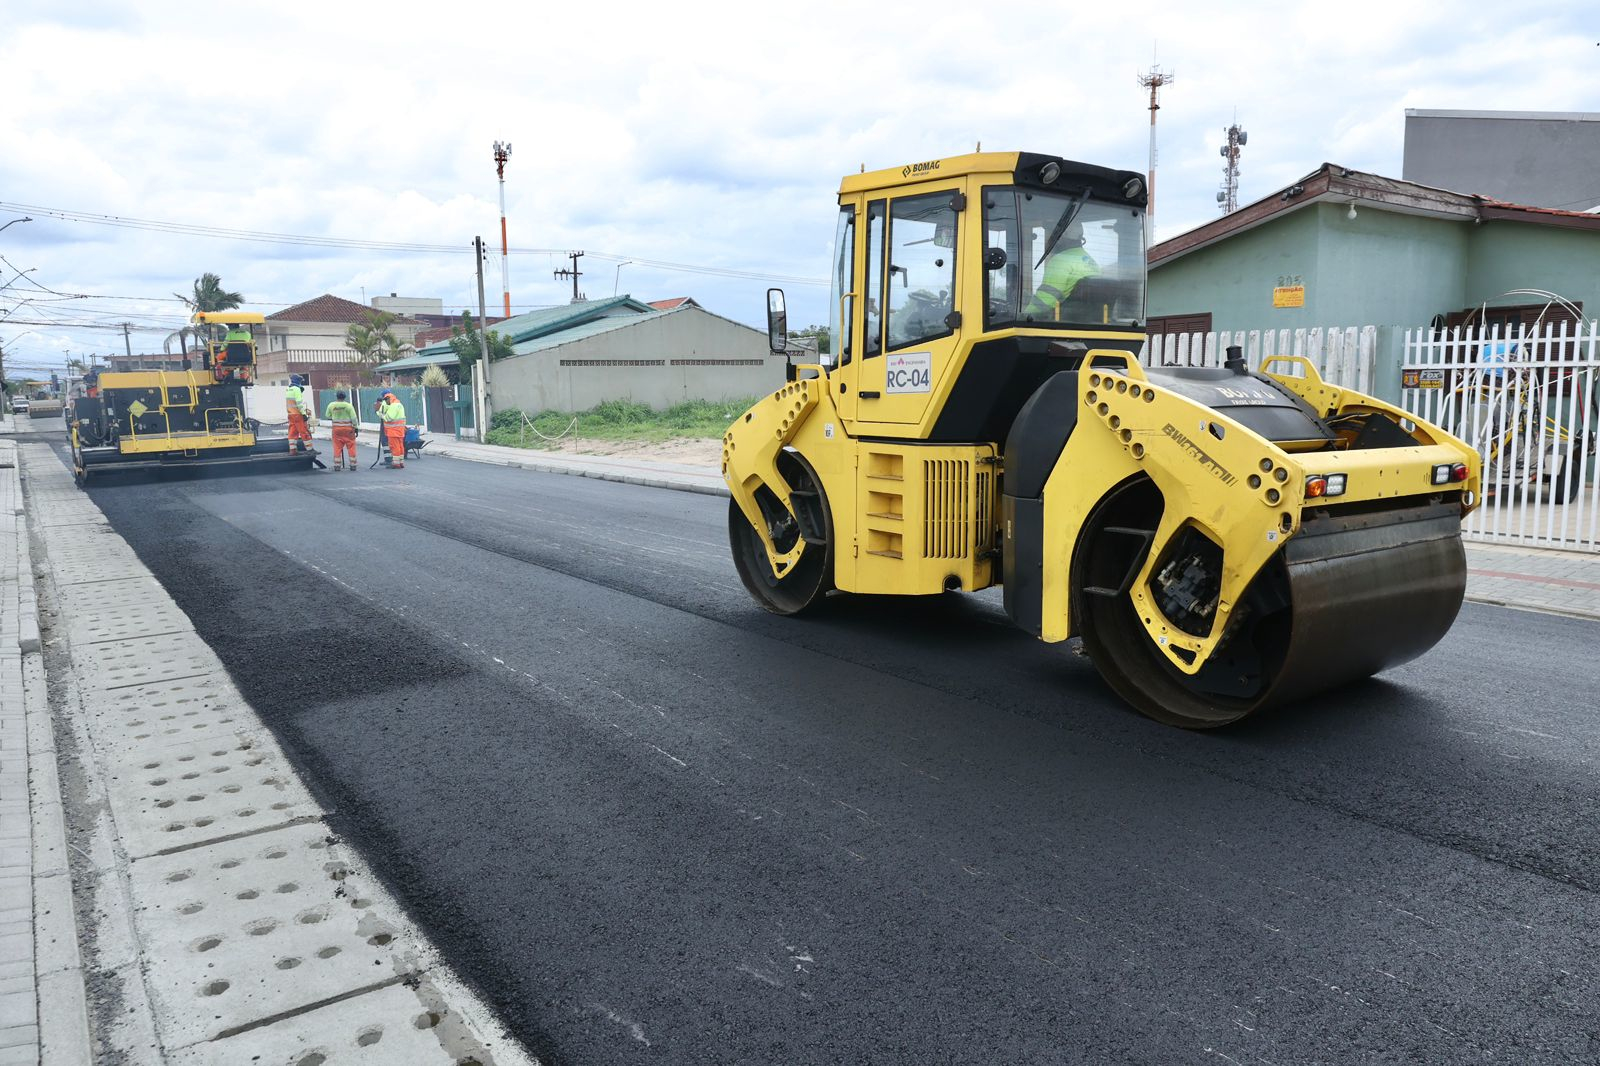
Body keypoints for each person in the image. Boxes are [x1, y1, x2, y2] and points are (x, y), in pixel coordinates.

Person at [1023, 222, 1099, 321]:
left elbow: (1046, 300)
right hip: (1084, 321)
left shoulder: (1061, 260)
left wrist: (1023, 315)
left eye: (1052, 235)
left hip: (1063, 321)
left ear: (1061, 237)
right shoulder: (1092, 262)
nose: (1049, 239)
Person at [323, 389, 359, 472]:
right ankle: (353, 465)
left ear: (337, 396)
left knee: (337, 447)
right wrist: (356, 427)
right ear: (345, 397)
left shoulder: (331, 405)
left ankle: (337, 465)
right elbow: (354, 418)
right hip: (348, 430)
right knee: (351, 446)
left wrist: (335, 416)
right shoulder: (348, 406)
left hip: (337, 430)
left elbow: (327, 416)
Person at [284, 374, 313, 455]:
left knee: (293, 432)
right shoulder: (296, 389)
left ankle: (292, 450)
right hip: (297, 414)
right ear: (298, 381)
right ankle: (310, 449)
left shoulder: (288, 389)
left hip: (290, 414)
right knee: (304, 431)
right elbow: (299, 403)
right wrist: (304, 414)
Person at [378, 390, 407, 469]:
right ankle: (401, 462)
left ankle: (396, 463)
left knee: (394, 446)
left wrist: (380, 414)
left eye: (385, 400)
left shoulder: (393, 406)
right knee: (400, 446)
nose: (385, 402)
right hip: (400, 430)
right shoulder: (399, 404)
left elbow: (388, 418)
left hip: (393, 430)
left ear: (388, 398)